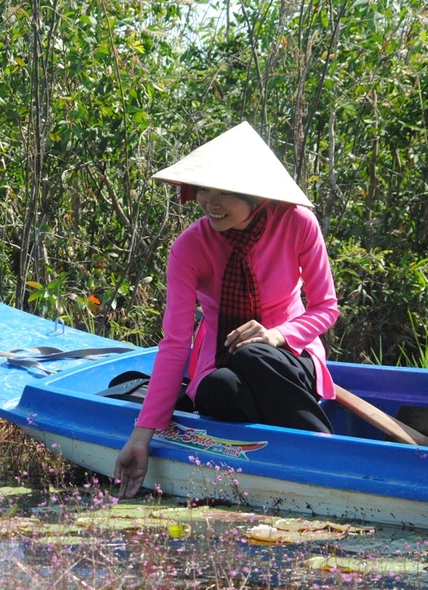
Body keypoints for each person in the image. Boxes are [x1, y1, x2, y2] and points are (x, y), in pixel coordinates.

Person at [114, 122, 339, 499]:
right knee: (220, 386)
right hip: (217, 361)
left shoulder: (298, 224)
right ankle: (279, 456)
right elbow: (174, 343)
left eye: (226, 193)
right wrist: (141, 435)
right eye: (204, 189)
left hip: (289, 357)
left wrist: (277, 335)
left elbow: (326, 308)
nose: (210, 202)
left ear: (257, 195)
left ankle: (325, 450)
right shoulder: (189, 248)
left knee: (253, 352)